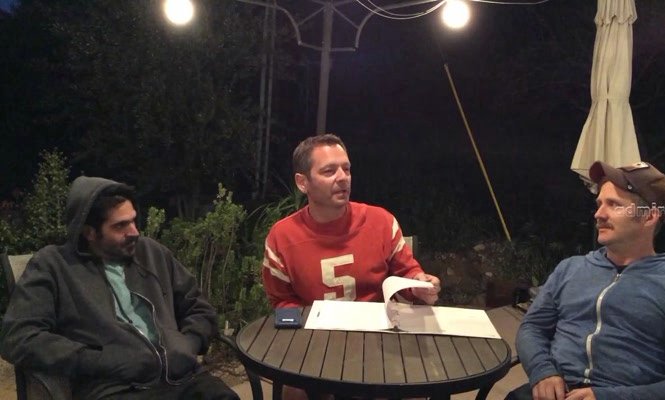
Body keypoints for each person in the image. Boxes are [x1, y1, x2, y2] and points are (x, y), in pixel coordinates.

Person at [0, 176, 239, 400]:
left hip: (183, 378)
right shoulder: (54, 265)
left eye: (133, 220)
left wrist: (189, 343)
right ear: (89, 232)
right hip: (115, 387)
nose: (134, 232)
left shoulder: (151, 253)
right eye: (120, 226)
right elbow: (19, 336)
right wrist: (101, 359)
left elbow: (198, 306)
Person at [512, 161, 665, 400]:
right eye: (599, 203)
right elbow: (532, 327)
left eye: (614, 204)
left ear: (649, 216)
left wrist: (607, 397)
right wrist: (542, 371)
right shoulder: (570, 269)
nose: (599, 214)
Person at [262, 133, 441, 309]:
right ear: (302, 183)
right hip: (313, 328)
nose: (343, 177)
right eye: (329, 171)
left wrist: (419, 286)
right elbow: (281, 300)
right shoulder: (282, 236)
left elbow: (407, 274)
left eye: (346, 169)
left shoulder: (381, 222)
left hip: (375, 326)